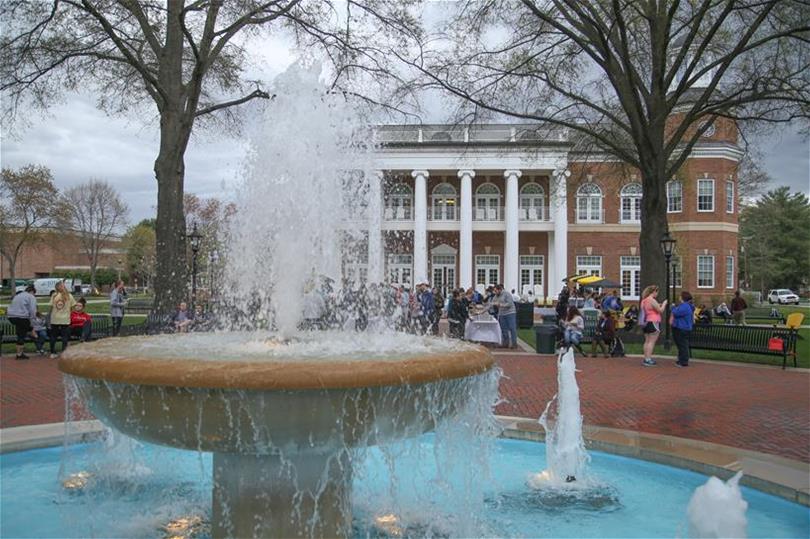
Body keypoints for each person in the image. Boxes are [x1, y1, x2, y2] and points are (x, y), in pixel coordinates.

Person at [7, 284, 37, 360]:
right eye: (34, 293)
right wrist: (33, 319)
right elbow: (33, 310)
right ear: (32, 292)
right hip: (22, 317)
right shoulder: (31, 297)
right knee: (22, 335)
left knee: (20, 332)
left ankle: (20, 352)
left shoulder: (18, 295)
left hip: (11, 317)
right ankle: (19, 354)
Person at [640, 285, 667, 367]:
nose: (657, 294)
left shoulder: (644, 300)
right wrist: (664, 304)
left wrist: (658, 304)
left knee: (647, 341)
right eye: (657, 292)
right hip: (654, 321)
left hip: (646, 322)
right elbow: (660, 310)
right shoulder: (652, 300)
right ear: (654, 292)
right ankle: (648, 359)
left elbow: (646, 309)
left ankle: (646, 358)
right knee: (651, 342)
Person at [49, 280, 76, 358]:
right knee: (64, 336)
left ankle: (52, 352)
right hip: (65, 319)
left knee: (53, 336)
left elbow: (51, 307)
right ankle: (63, 352)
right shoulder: (69, 296)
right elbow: (72, 307)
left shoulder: (54, 295)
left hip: (55, 318)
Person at [671, 291, 695, 367]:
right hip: (682, 327)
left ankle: (683, 361)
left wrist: (673, 307)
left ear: (683, 298)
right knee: (681, 344)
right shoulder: (685, 305)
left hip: (682, 328)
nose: (679, 297)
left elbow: (676, 313)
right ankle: (681, 359)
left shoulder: (685, 306)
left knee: (682, 345)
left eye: (680, 296)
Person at [493, 284, 517, 348]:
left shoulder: (507, 294)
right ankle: (505, 343)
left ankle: (514, 343)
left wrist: (501, 305)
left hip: (510, 313)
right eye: (494, 291)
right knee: (503, 329)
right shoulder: (495, 296)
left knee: (512, 328)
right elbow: (492, 303)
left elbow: (510, 303)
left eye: (496, 291)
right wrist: (482, 310)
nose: (495, 292)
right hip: (501, 314)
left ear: (500, 289)